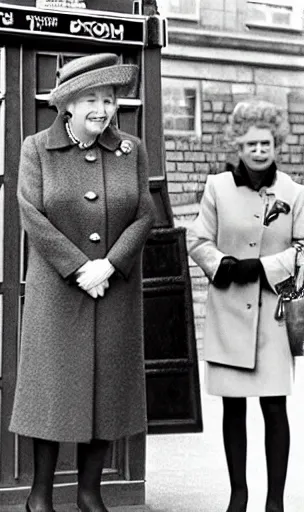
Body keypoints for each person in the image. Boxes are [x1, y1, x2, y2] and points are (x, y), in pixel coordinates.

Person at [9, 53, 156, 512]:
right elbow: (31, 214)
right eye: (91, 98)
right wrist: (78, 267)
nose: (102, 108)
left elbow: (146, 214)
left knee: (107, 392)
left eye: (109, 99)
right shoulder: (37, 148)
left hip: (114, 288)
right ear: (67, 104)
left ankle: (90, 494)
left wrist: (110, 265)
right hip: (58, 291)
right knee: (51, 393)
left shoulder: (131, 149)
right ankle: (40, 497)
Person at [188, 99, 304, 512]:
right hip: (229, 314)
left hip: (272, 319)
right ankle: (238, 495)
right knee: (233, 409)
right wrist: (225, 265)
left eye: (267, 143)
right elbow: (198, 239)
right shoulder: (216, 188)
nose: (259, 150)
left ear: (278, 145)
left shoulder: (294, 192)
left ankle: (275, 502)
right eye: (251, 143)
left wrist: (265, 266)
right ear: (237, 147)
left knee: (275, 407)